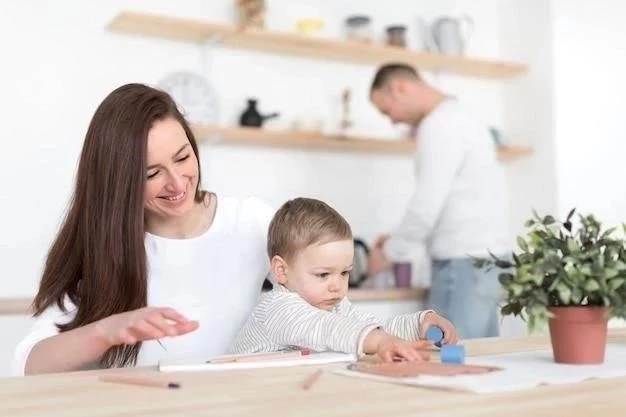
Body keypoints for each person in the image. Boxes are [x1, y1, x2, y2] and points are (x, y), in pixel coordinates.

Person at [12, 83, 275, 376]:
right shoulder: (104, 250)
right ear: (120, 181)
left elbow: (326, 294)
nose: (177, 183)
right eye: (152, 173)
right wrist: (104, 332)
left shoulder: (254, 223)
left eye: (183, 157)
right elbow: (28, 365)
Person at [367, 63, 511, 339]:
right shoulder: (459, 118)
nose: (393, 121)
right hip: (481, 261)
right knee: (477, 361)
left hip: (464, 265)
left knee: (450, 361)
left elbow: (425, 206)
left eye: (387, 111)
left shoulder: (439, 125)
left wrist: (388, 254)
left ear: (401, 88)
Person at [230, 197, 458, 361]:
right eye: (323, 275)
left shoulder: (335, 305)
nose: (336, 286)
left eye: (345, 272)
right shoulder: (277, 309)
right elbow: (327, 328)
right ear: (281, 271)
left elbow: (372, 328)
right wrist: (379, 342)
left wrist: (421, 323)